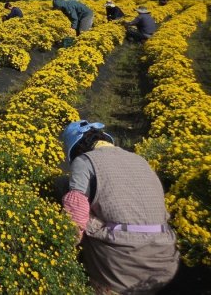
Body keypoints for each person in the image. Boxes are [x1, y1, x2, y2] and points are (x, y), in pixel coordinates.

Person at [60, 120, 179, 293]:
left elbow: (75, 218)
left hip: (122, 267)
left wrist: (60, 249)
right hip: (165, 261)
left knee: (67, 192)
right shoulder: (139, 160)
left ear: (76, 148)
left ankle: (97, 282)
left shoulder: (84, 161)